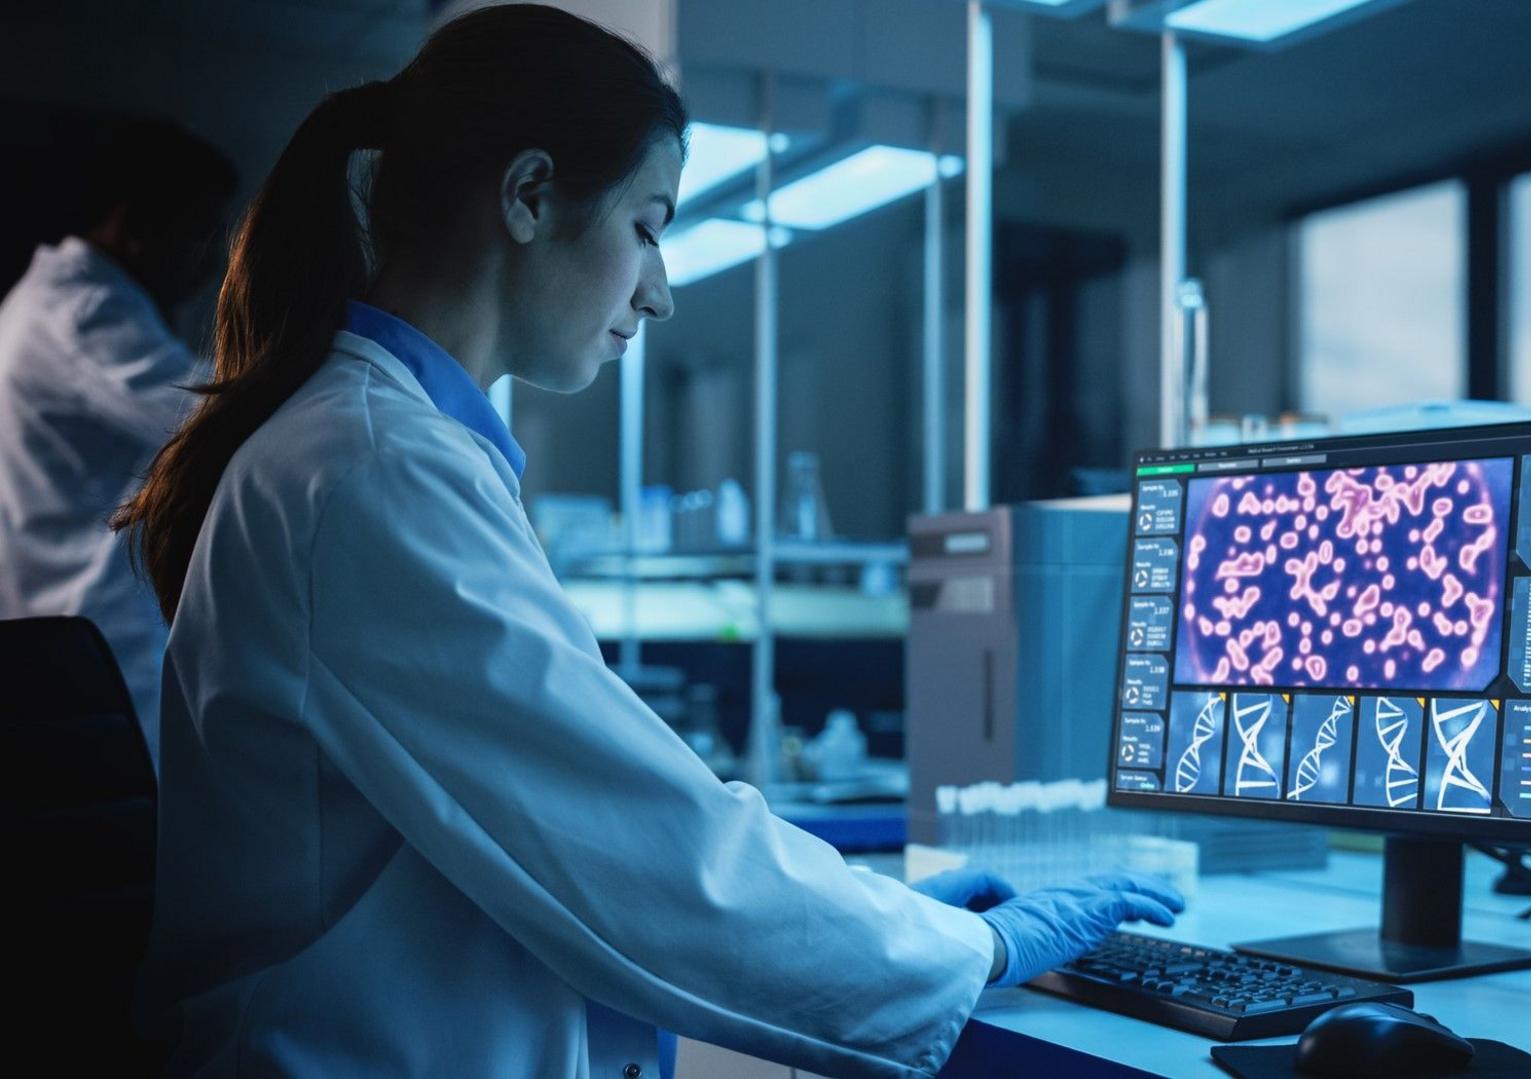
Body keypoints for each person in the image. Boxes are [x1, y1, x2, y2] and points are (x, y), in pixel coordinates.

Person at [115, 6, 1183, 1077]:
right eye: (648, 225)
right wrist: (971, 943)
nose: (660, 290)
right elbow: (636, 839)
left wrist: (884, 913)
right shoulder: (368, 465)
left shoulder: (382, 448)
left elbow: (604, 809)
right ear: (530, 196)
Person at [0, 118, 236, 761]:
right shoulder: (82, 313)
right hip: (96, 646)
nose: (214, 261)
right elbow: (209, 415)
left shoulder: (58, 304)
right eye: (201, 234)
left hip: (78, 641)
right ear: (136, 228)